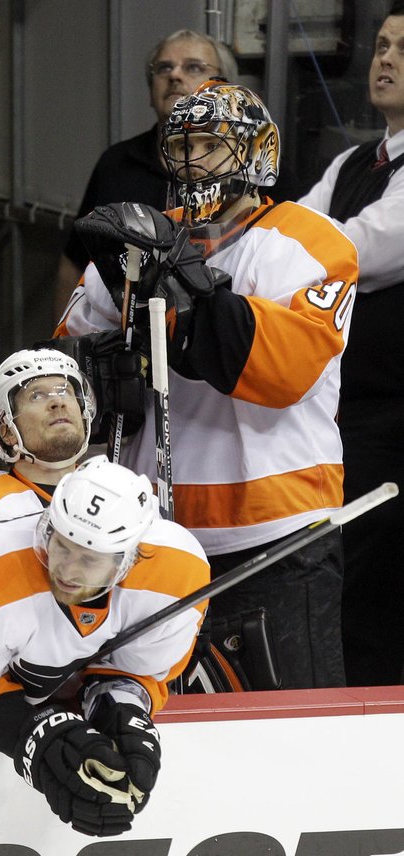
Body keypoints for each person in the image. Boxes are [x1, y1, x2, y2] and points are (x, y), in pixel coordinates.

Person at [55, 80, 358, 690]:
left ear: (256, 153)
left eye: (210, 146)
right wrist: (101, 360)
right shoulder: (138, 237)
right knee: (164, 724)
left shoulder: (310, 240)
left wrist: (185, 303)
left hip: (277, 534)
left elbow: (284, 369)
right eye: (183, 145)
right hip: (150, 532)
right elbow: (64, 371)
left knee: (288, 731)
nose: (192, 161)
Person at [0, 456, 209, 838]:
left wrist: (121, 710)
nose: (67, 569)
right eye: (62, 544)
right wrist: (40, 739)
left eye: (89, 558)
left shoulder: (179, 576)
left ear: (129, 559)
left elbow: (136, 671)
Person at [296, 1, 404, 686]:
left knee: (376, 588)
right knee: (344, 577)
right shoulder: (352, 162)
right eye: (383, 45)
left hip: (396, 422)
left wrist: (291, 257)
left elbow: (360, 248)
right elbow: (291, 235)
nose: (386, 58)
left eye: (403, 49)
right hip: (342, 416)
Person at [51, 30, 238, 318]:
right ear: (150, 92)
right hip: (124, 337)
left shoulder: (250, 167)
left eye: (193, 67)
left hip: (221, 337)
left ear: (226, 89)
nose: (175, 75)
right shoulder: (117, 163)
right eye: (164, 68)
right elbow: (76, 262)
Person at [0, 348, 96, 552]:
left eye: (65, 390)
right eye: (37, 396)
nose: (58, 402)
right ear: (7, 432)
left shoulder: (119, 493)